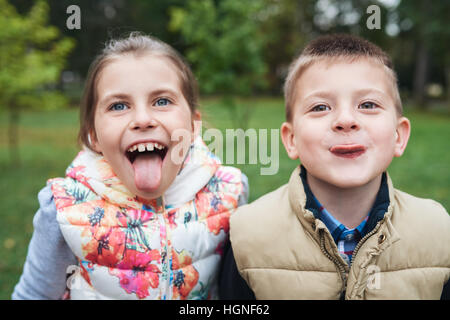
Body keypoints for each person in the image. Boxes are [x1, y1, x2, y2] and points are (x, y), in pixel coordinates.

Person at [12, 32, 248, 300]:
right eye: (119, 105)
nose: (143, 119)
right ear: (94, 136)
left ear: (193, 127)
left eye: (161, 101)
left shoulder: (228, 191)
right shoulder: (64, 208)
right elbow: (33, 295)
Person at [219, 33, 450, 300]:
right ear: (291, 139)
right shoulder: (248, 236)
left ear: (399, 135)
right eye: (320, 107)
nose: (345, 120)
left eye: (367, 104)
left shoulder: (438, 232)